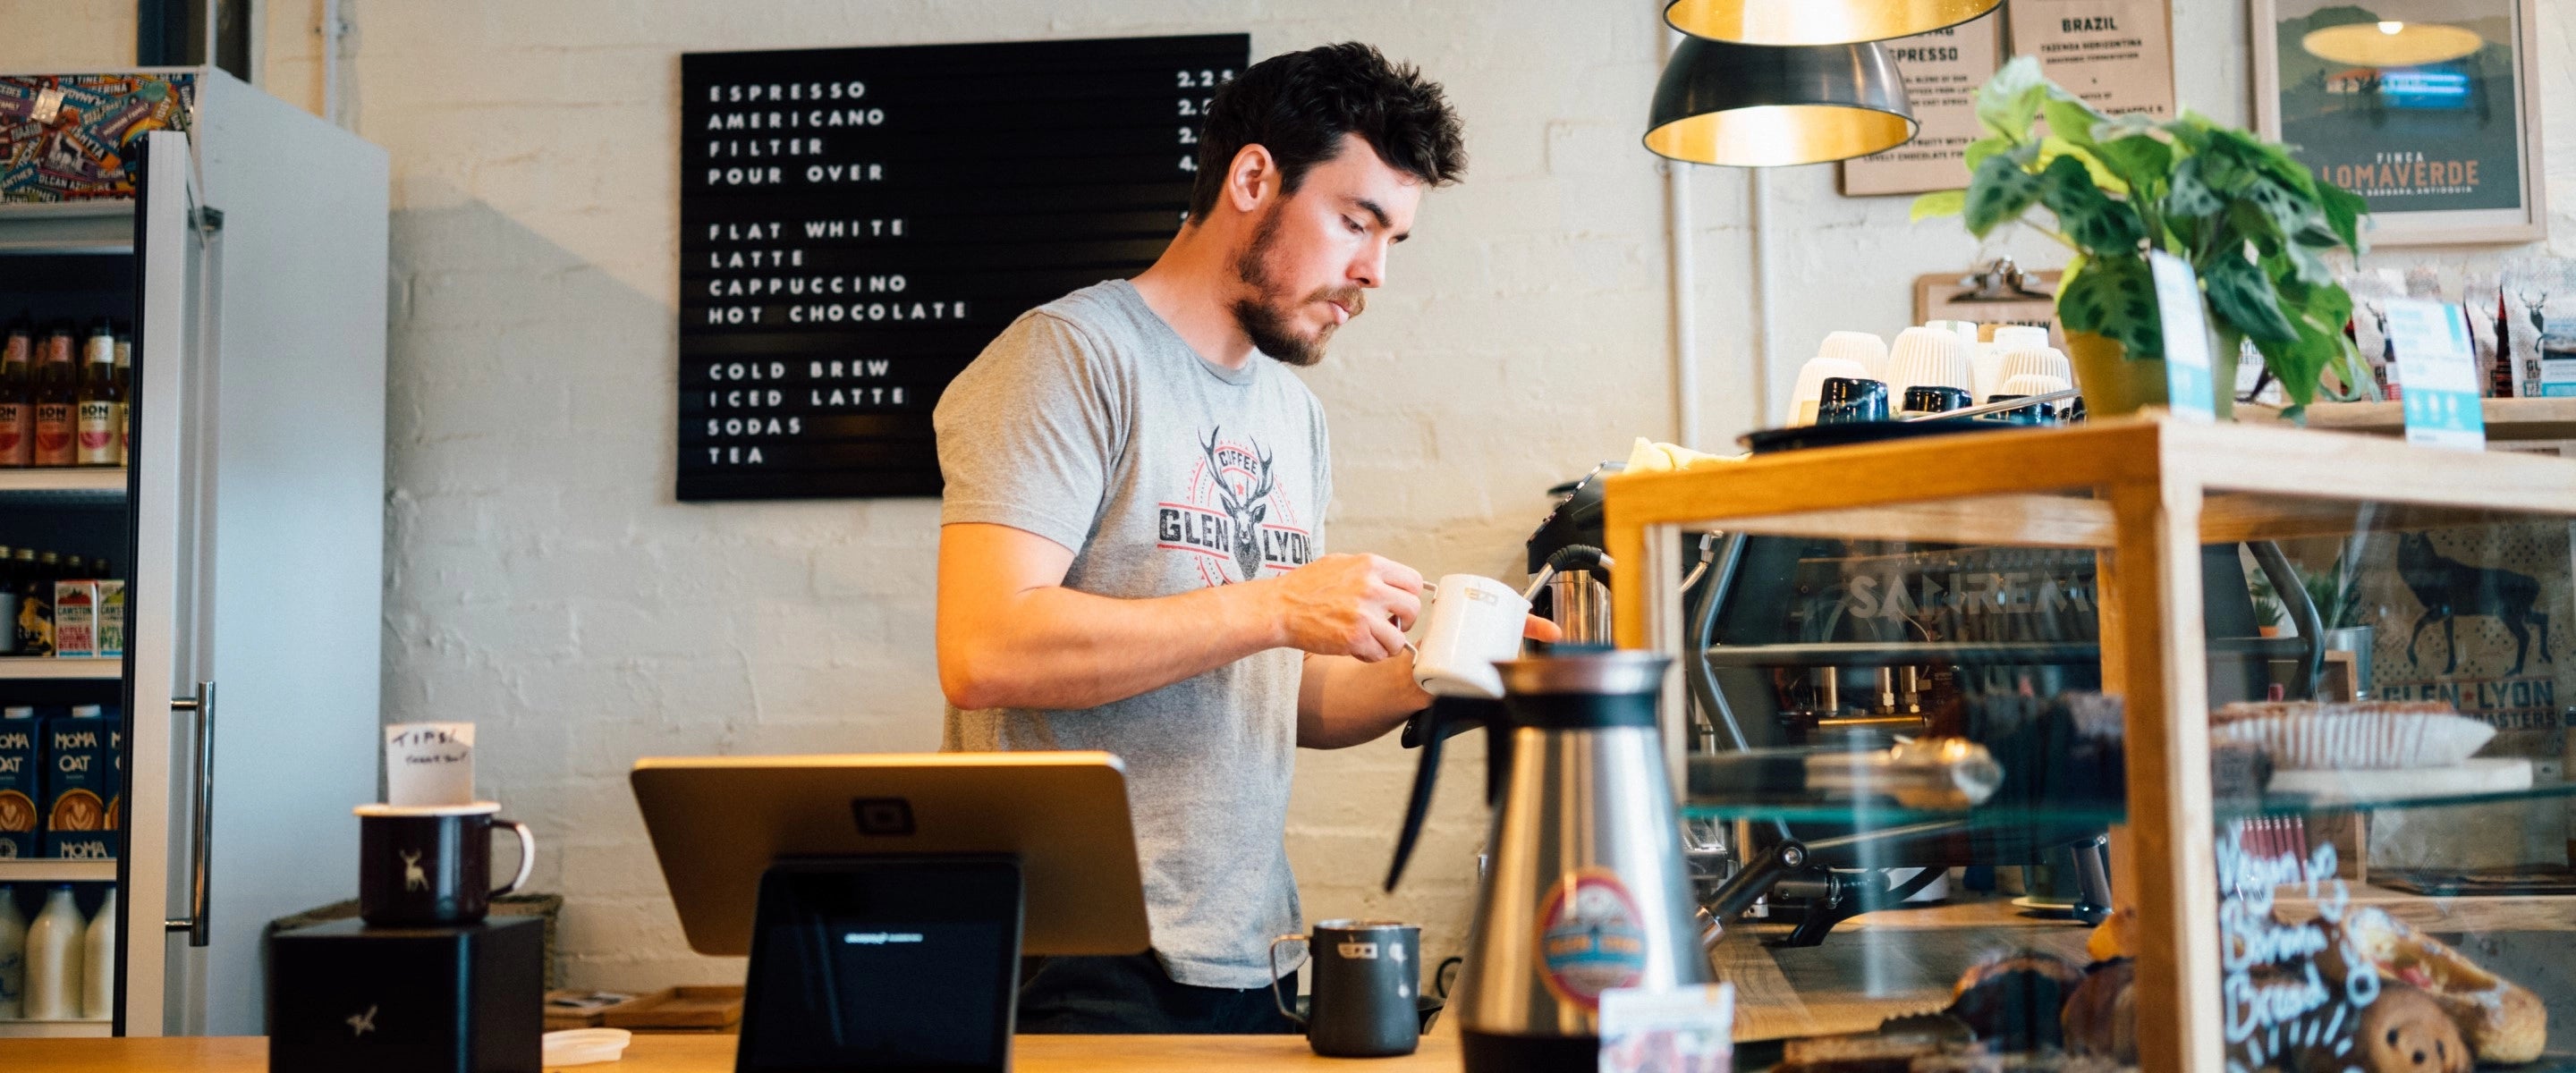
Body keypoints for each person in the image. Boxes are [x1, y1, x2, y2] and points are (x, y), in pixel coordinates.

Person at [932, 42, 1549, 1033]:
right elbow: (984, 649)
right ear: (1253, 178)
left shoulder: (1290, 416)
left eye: (1394, 240)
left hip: (1250, 949)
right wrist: (1274, 604)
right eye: (1357, 222)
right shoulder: (1068, 358)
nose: (1374, 273)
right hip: (1078, 953)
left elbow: (1275, 695)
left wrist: (1447, 669)